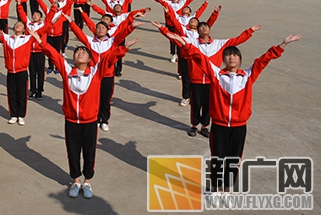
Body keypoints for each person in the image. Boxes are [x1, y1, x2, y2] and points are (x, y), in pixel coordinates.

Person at [167, 32, 301, 195]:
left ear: (240, 59)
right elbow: (199, 57)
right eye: (228, 55)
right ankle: (215, 190)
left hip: (239, 127)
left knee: (234, 160)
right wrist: (183, 43)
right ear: (223, 60)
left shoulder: (248, 76)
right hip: (219, 126)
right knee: (218, 159)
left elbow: (264, 60)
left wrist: (283, 44)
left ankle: (227, 189)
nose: (231, 58)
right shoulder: (216, 74)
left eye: (235, 55)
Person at [31, 30, 137, 199]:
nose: (80, 53)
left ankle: (87, 181)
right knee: (72, 151)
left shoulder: (96, 71)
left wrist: (123, 49)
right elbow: (54, 55)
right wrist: (41, 43)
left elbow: (110, 58)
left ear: (89, 59)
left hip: (89, 121)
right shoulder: (67, 70)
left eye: (84, 52)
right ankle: (76, 180)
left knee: (89, 151)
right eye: (77, 51)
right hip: (71, 120)